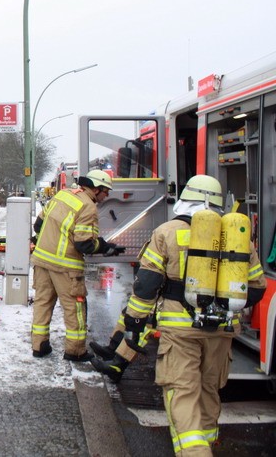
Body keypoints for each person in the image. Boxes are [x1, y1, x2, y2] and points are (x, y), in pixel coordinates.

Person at [90, 175, 265, 456]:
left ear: (186, 198)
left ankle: (195, 451)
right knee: (209, 388)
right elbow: (256, 288)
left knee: (182, 390)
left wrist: (134, 322)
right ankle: (208, 441)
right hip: (222, 329)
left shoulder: (167, 232)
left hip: (180, 329)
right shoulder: (238, 236)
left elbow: (146, 285)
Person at [30, 169, 124, 362]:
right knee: (75, 308)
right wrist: (105, 246)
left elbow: (38, 225)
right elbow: (85, 244)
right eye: (106, 191)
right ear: (96, 188)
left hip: (41, 261)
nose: (107, 196)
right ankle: (75, 351)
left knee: (42, 303)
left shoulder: (62, 195)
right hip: (66, 268)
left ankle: (39, 346)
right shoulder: (87, 206)